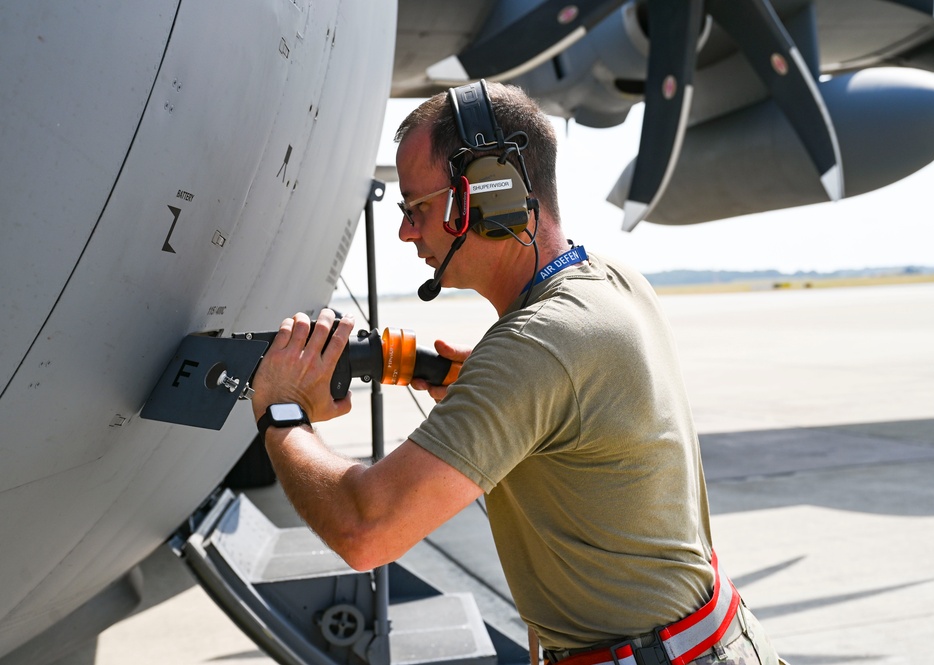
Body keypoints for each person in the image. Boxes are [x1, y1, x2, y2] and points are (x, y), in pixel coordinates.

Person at [250, 81, 783, 665]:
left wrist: (282, 410)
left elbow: (365, 529)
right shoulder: (610, 281)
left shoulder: (537, 347)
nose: (405, 231)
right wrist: (498, 398)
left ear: (488, 193)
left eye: (416, 209)